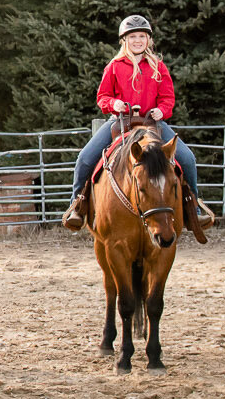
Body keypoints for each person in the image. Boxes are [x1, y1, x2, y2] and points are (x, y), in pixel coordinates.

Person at [59, 14, 216, 242]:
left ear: (148, 40)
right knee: (85, 159)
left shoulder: (158, 67)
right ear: (125, 40)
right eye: (133, 37)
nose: (138, 41)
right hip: (120, 123)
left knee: (188, 159)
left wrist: (162, 110)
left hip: (153, 124)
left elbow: (168, 98)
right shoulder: (114, 66)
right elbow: (102, 96)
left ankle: (195, 210)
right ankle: (77, 206)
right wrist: (115, 104)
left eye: (142, 36)